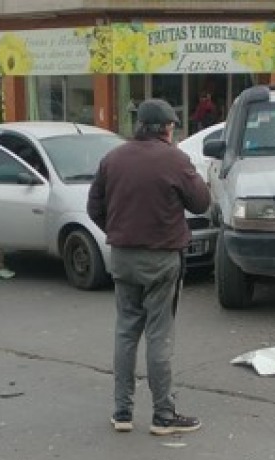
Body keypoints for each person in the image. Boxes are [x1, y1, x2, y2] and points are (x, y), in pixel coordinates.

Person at [87, 98, 210, 436]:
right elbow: (201, 202)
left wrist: (118, 232)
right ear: (166, 128)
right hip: (161, 257)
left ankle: (122, 411)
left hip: (123, 256)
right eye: (173, 125)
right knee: (159, 335)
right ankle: (163, 415)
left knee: (126, 330)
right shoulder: (175, 160)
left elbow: (93, 206)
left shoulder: (112, 159)